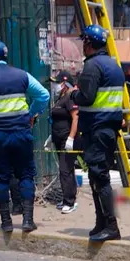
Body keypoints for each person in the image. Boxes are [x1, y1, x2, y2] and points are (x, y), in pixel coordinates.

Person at [0, 39, 50, 233]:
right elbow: (44, 96)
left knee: (1, 178)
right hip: (22, 134)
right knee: (26, 175)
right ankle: (28, 220)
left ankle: (6, 222)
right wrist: (31, 114)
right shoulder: (22, 75)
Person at [71, 24, 126, 242]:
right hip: (108, 129)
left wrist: (73, 95)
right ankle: (101, 223)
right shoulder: (114, 66)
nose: (83, 46)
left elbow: (87, 97)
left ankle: (110, 226)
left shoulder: (93, 66)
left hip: (96, 129)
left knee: (99, 178)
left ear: (89, 43)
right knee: (97, 176)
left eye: (84, 42)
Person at [49, 70, 79, 214]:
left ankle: (69, 202)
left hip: (67, 138)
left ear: (65, 83)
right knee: (67, 170)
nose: (55, 85)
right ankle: (70, 197)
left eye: (57, 82)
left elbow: (76, 118)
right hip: (58, 137)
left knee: (65, 170)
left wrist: (71, 138)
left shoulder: (70, 97)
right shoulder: (61, 97)